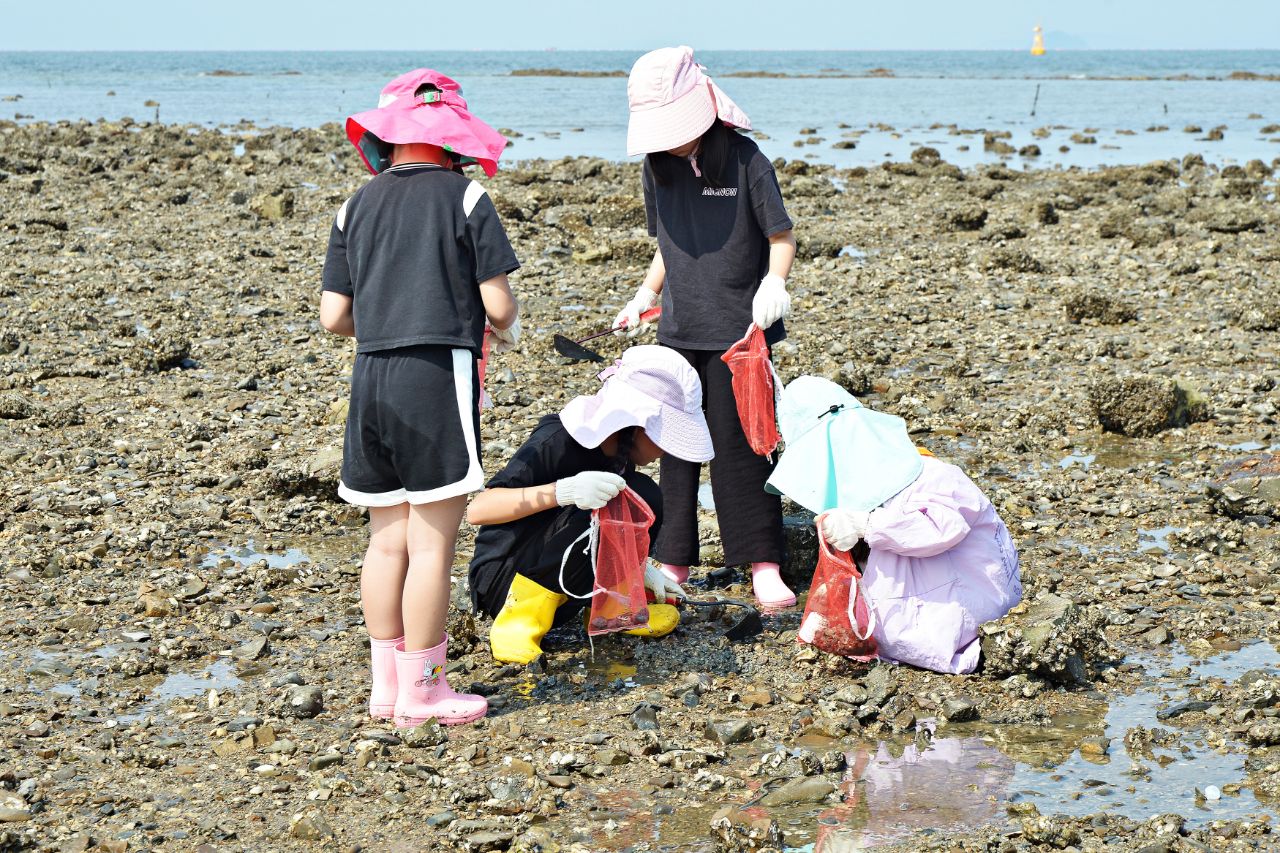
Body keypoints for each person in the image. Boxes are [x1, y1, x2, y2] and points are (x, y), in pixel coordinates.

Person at [320, 68, 520, 727]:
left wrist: (381, 324)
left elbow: (332, 316)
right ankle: (426, 690)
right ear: (452, 137)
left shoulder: (354, 205)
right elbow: (498, 303)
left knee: (387, 542)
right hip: (436, 376)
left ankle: (386, 686)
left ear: (388, 138)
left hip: (371, 379)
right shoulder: (467, 200)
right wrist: (504, 324)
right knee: (433, 544)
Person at [614, 45, 798, 610]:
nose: (669, 141)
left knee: (745, 448)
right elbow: (669, 244)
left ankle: (762, 562)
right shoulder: (658, 167)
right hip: (678, 331)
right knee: (675, 451)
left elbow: (781, 238)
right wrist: (647, 295)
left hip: (741, 335)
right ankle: (673, 560)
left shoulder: (746, 161)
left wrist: (775, 284)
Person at [467, 345, 714, 663]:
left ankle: (612, 612)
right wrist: (562, 492)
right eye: (664, 435)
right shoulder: (557, 439)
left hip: (563, 587)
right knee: (598, 508)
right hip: (508, 578)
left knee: (643, 496)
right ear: (637, 423)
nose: (666, 450)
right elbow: (480, 509)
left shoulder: (621, 454)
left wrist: (642, 573)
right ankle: (519, 624)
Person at [765, 377, 1023, 674]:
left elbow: (942, 529)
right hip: (931, 606)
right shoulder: (872, 487)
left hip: (973, 608)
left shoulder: (933, 476)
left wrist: (865, 525)